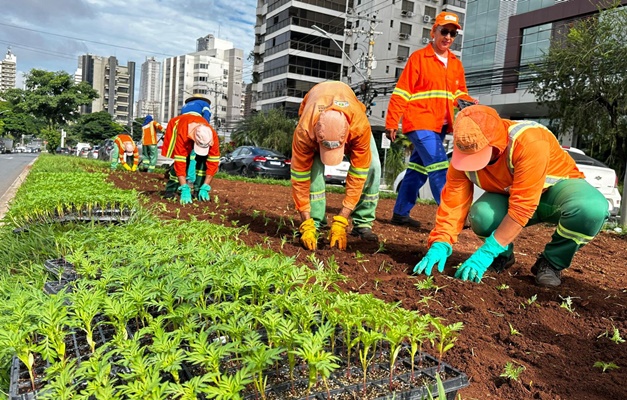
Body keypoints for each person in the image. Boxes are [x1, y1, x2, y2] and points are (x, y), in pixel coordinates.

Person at [414, 105, 609, 287]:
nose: (471, 162)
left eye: (479, 155)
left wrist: (486, 252)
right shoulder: (462, 152)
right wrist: (440, 243)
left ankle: (551, 262)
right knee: (481, 214)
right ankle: (503, 256)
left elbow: (523, 206)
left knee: (590, 209)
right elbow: (453, 203)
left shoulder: (529, 141)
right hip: (512, 197)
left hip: (555, 193)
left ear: (497, 144)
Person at [385, 11, 476, 227]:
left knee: (417, 169)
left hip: (440, 125)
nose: (448, 37)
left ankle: (400, 213)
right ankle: (451, 216)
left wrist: (470, 104)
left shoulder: (455, 64)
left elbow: (459, 94)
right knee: (439, 166)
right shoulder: (418, 58)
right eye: (444, 31)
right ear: (433, 31)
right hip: (420, 122)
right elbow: (402, 92)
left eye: (453, 33)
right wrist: (391, 121)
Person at [291, 81, 381, 251]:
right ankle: (314, 222)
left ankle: (362, 222)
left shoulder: (360, 127)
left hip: (351, 114)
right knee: (312, 173)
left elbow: (358, 176)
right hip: (314, 107)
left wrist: (342, 219)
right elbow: (299, 178)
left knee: (373, 167)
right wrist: (305, 222)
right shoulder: (304, 131)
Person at [161, 95, 220, 204]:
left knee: (202, 161)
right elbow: (180, 161)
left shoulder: (212, 135)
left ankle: (199, 190)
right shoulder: (183, 134)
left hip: (198, 127)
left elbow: (213, 162)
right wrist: (184, 187)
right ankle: (172, 189)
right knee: (183, 160)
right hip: (181, 125)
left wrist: (206, 185)